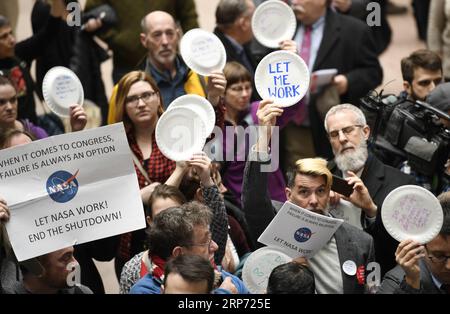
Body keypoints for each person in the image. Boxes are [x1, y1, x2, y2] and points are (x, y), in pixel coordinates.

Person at [242, 100, 375, 294]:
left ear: (329, 192)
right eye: (304, 192)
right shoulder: (275, 224)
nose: (313, 200)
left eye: (320, 191)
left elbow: (372, 289)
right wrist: (264, 138)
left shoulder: (360, 242)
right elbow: (253, 201)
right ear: (289, 195)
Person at [280, 0, 383, 167]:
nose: (294, 2)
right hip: (292, 126)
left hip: (331, 129)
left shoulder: (354, 30)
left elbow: (373, 72)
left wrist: (347, 82)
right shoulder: (283, 30)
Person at [324, 103, 415, 276]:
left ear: (366, 132)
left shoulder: (402, 185)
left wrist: (371, 211)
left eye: (348, 130)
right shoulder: (322, 181)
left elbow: (406, 251)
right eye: (335, 134)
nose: (342, 138)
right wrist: (320, 207)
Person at [108, 11, 226, 123]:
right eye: (157, 35)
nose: (165, 42)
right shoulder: (124, 90)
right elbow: (117, 141)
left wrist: (214, 97)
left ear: (178, 35)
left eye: (170, 33)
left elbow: (219, 128)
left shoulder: (203, 78)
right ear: (144, 40)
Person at [218, 61, 303, 206]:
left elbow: (293, 103)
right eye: (237, 89)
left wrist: (293, 66)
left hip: (275, 197)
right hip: (240, 203)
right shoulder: (217, 127)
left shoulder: (259, 110)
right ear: (223, 92)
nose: (245, 94)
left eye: (248, 87)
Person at [129, 202, 249, 294]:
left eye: (211, 238)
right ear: (179, 254)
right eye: (205, 241)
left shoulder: (227, 281)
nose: (215, 247)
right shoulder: (144, 291)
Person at [84, 0, 199, 83]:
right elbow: (89, 16)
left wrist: (195, 54)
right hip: (126, 64)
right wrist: (116, 40)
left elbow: (188, 17)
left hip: (168, 64)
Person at [0, 0, 66, 124]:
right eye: (4, 37)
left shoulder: (18, 54)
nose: (12, 40)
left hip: (31, 130)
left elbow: (49, 32)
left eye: (11, 33)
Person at [378, 191, 450, 294]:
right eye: (439, 256)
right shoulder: (396, 281)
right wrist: (411, 284)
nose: (449, 266)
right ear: (421, 246)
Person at [0, 76, 87, 138]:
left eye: (13, 100)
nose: (9, 107)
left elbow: (61, 161)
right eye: (1, 102)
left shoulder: (36, 132)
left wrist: (76, 132)